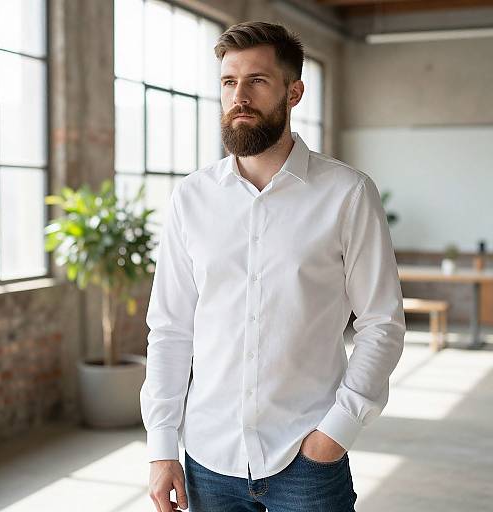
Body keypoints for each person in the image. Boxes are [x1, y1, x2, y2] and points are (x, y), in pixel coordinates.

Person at [140, 20, 406, 512]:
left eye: (257, 81)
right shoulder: (191, 199)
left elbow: (381, 325)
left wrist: (336, 433)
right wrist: (161, 446)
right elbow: (171, 329)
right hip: (207, 459)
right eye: (228, 82)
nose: (239, 95)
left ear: (294, 91)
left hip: (307, 459)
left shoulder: (347, 193)